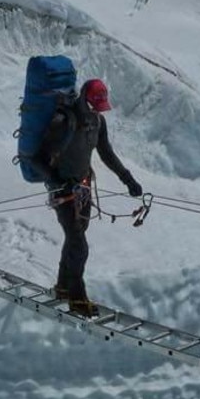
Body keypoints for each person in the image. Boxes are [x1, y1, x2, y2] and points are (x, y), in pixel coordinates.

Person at [34, 78, 142, 317]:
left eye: (100, 107)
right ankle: (77, 299)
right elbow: (34, 156)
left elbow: (107, 154)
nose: (96, 111)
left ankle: (63, 287)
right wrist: (56, 179)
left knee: (75, 238)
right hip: (62, 191)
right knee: (79, 245)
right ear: (84, 99)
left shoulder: (97, 122)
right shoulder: (62, 121)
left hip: (83, 188)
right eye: (94, 106)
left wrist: (128, 180)